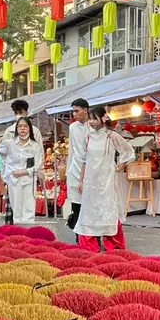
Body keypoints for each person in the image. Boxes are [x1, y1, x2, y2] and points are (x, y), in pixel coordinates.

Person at [75, 105, 134, 251]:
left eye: (94, 119)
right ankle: (89, 243)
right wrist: (81, 180)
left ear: (103, 118)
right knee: (89, 210)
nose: (92, 122)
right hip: (90, 180)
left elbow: (128, 151)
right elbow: (84, 160)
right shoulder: (88, 137)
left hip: (107, 180)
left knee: (108, 209)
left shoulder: (111, 136)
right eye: (90, 119)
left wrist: (120, 165)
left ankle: (112, 242)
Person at [0, 115, 44, 227]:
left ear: (29, 129)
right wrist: (8, 167)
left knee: (29, 208)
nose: (22, 129)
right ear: (16, 129)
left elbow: (38, 164)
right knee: (16, 209)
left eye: (25, 126)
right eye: (20, 126)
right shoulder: (10, 143)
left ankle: (28, 233)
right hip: (14, 180)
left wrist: (23, 172)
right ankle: (18, 233)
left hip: (29, 180)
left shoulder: (34, 145)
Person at [65, 97, 90, 233]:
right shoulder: (72, 127)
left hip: (90, 168)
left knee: (89, 203)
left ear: (85, 110)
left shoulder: (93, 125)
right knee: (76, 204)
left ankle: (90, 234)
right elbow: (71, 150)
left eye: (76, 111)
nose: (74, 114)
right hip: (75, 168)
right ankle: (78, 233)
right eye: (73, 112)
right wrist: (68, 172)